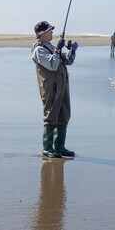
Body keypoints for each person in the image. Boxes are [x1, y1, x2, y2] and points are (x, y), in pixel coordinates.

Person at [31, 21, 79, 158]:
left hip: (63, 86)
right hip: (51, 88)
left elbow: (68, 61)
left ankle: (60, 147)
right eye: (49, 31)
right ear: (41, 34)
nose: (52, 32)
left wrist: (72, 50)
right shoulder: (38, 50)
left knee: (64, 115)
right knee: (51, 116)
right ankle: (47, 148)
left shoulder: (51, 47)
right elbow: (52, 65)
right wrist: (57, 50)